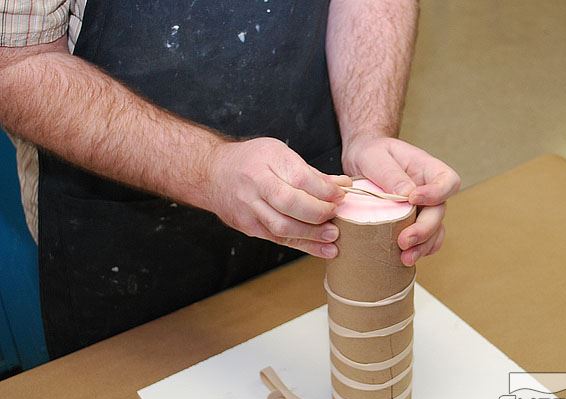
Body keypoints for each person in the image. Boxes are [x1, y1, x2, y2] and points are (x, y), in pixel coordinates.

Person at [0, 0, 460, 359]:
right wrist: (207, 169)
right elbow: (15, 66)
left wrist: (367, 133)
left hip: (314, 202)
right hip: (123, 239)